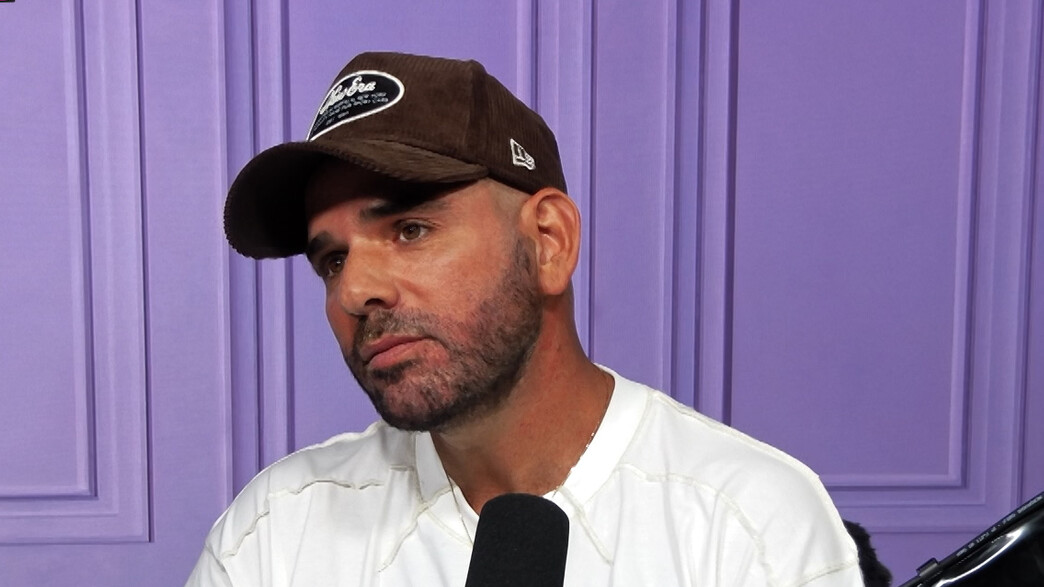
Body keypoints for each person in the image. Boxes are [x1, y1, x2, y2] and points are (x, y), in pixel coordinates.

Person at [187, 51, 863, 586]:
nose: (354, 291)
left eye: (411, 229)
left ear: (548, 242)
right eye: (332, 261)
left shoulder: (750, 525)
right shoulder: (272, 535)